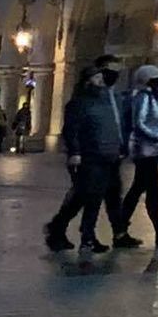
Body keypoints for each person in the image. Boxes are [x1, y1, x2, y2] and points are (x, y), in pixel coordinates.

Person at [44, 55, 128, 254]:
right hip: (90, 157)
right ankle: (83, 235)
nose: (102, 81)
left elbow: (113, 126)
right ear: (88, 80)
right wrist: (75, 152)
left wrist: (119, 146)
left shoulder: (108, 100)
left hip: (108, 155)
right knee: (89, 197)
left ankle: (66, 230)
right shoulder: (80, 103)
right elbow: (71, 130)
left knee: (88, 197)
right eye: (98, 78)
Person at [119, 66, 158, 245]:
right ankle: (154, 229)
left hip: (153, 150)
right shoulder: (143, 98)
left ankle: (124, 226)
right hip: (143, 149)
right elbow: (140, 123)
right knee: (147, 189)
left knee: (142, 188)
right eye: (155, 78)